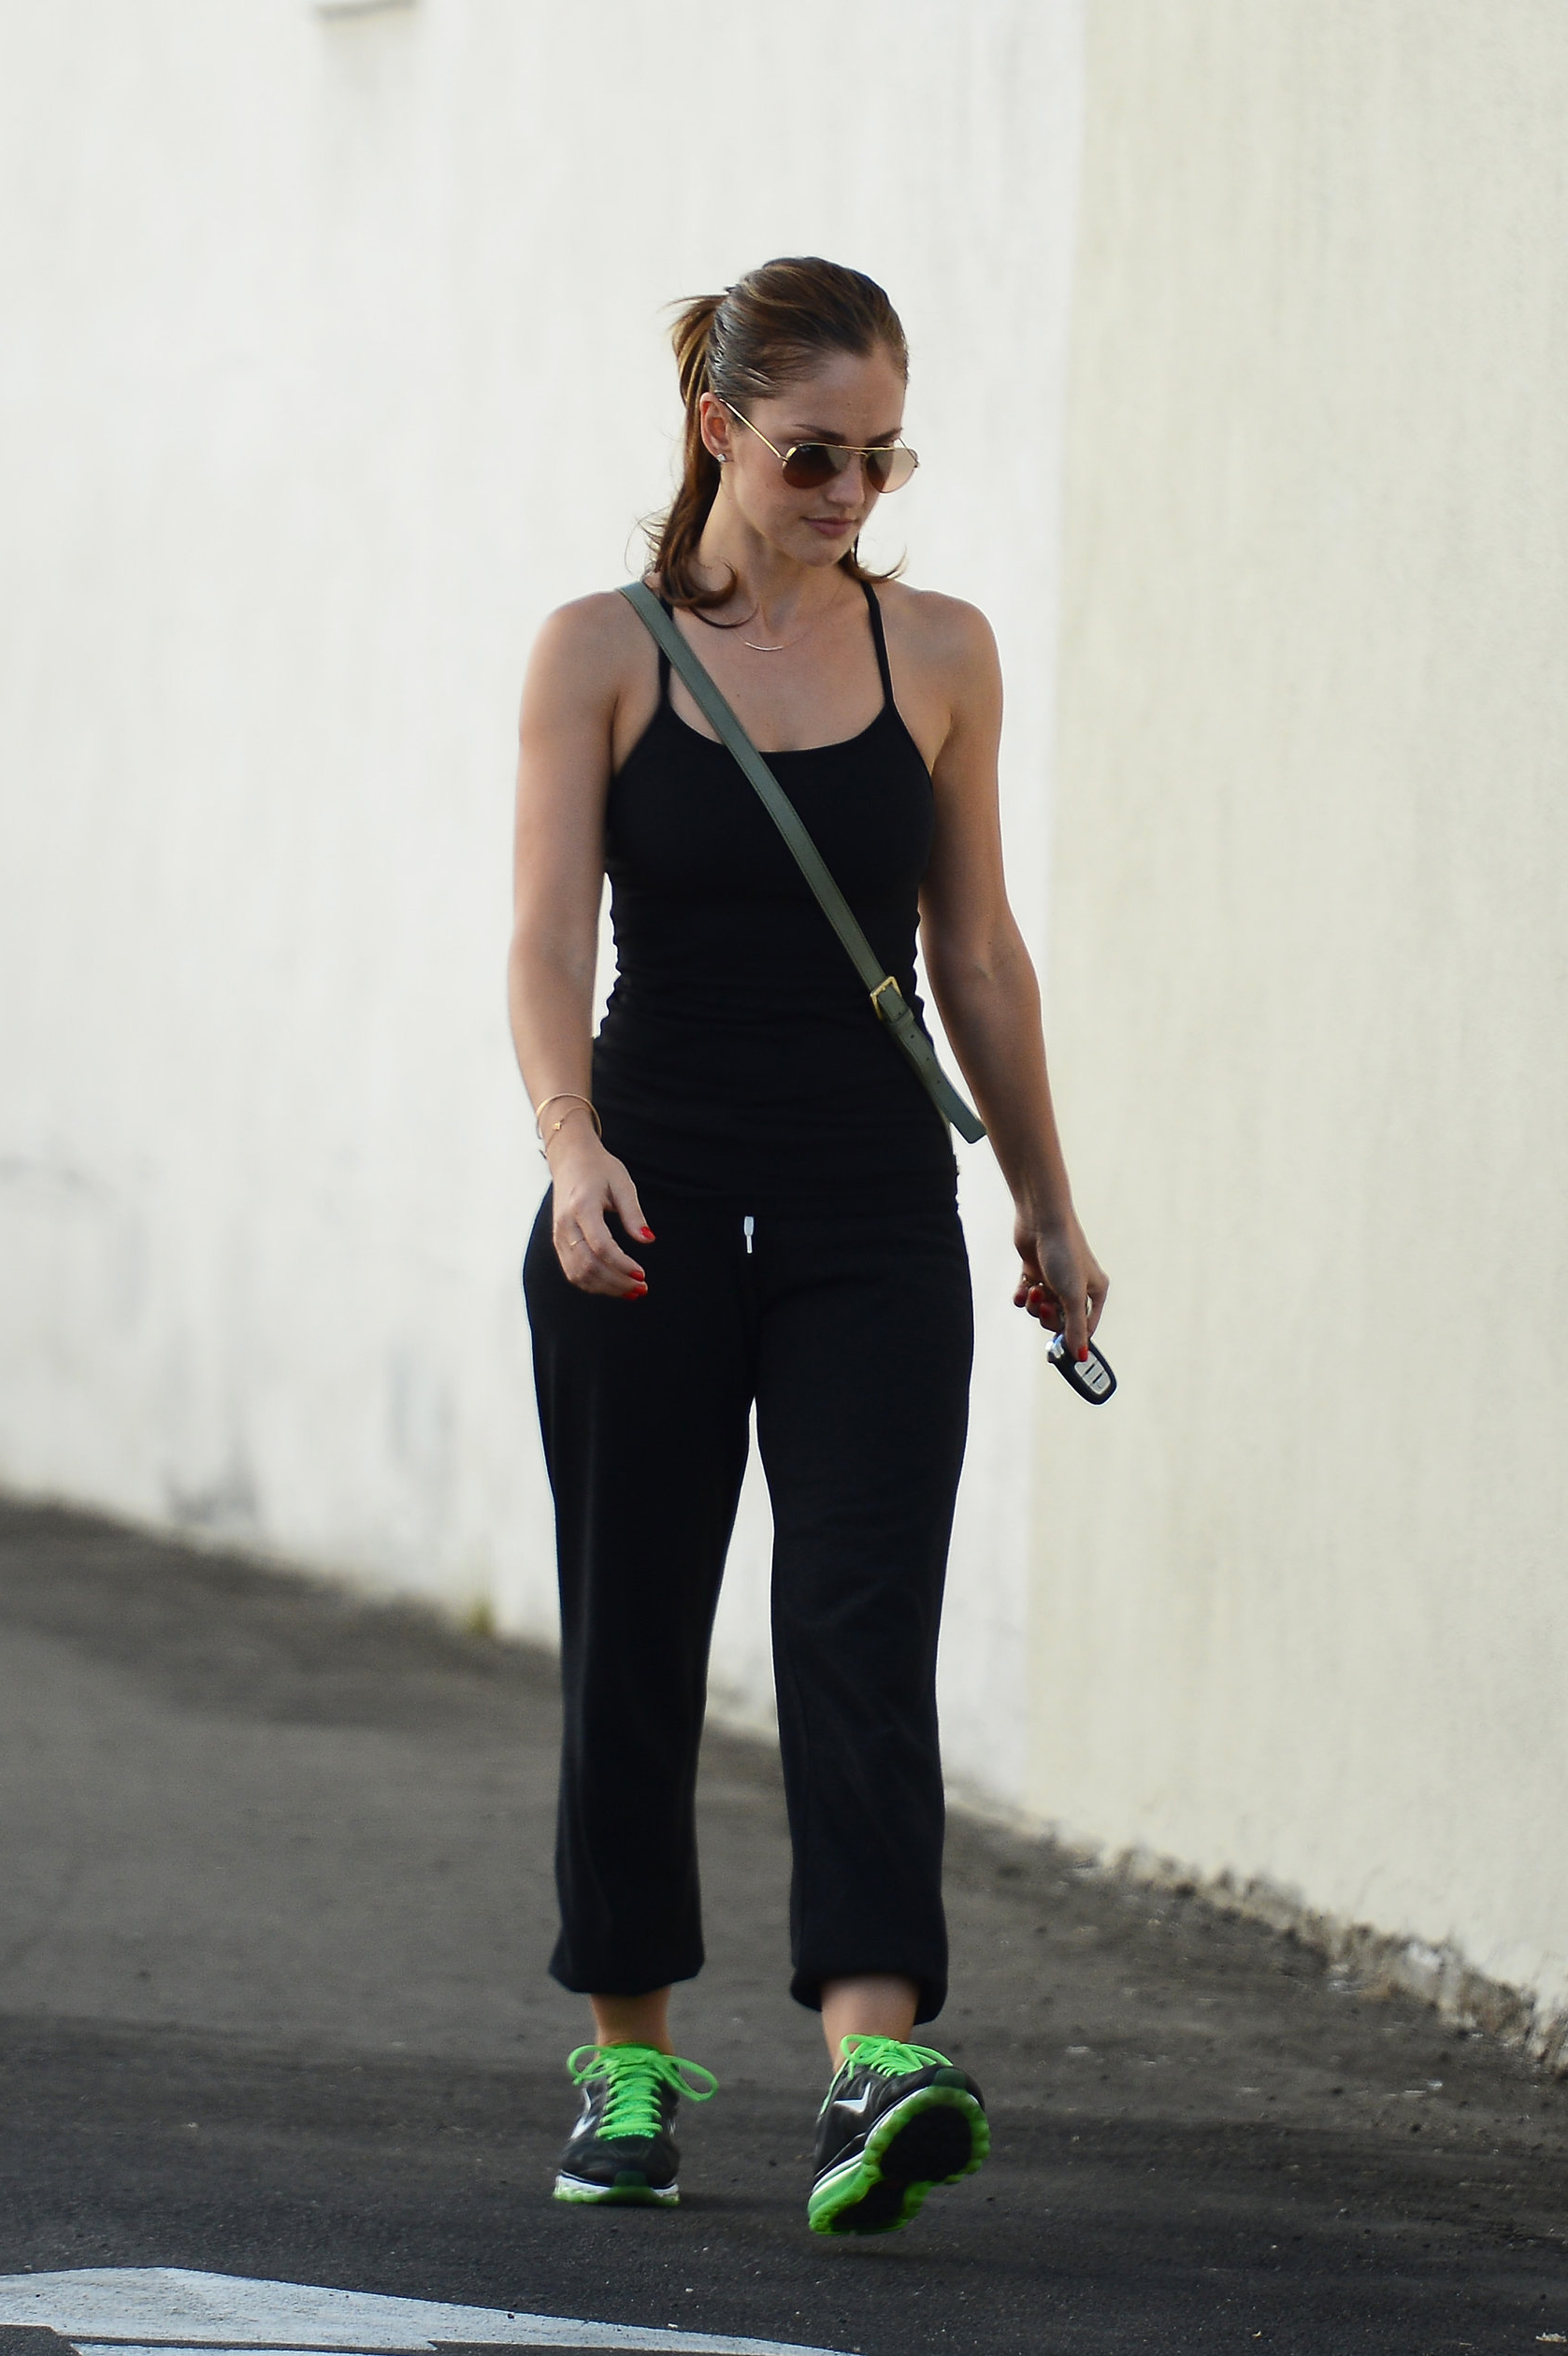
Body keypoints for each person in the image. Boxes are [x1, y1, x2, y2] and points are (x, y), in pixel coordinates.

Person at [508, 256, 1107, 2237]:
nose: (854, 491)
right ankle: (629, 2058)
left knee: (857, 1624)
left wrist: (1045, 1196)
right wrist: (570, 1148)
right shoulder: (598, 654)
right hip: (651, 1199)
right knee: (640, 1630)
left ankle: (872, 2060)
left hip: (868, 1208)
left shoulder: (941, 652)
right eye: (814, 454)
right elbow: (538, 940)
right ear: (718, 437)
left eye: (882, 454)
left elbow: (980, 955)